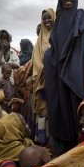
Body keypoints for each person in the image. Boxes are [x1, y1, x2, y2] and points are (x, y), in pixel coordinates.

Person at [44, 0, 84, 156]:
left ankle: (82, 146)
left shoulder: (83, 18)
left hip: (79, 69)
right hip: (58, 70)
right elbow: (54, 47)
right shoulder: (59, 20)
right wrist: (49, 56)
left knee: (79, 103)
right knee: (60, 105)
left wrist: (81, 52)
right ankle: (65, 150)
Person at [32, 8, 55, 146]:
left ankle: (53, 141)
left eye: (49, 17)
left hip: (57, 80)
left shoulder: (59, 36)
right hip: (43, 81)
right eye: (44, 18)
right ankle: (42, 141)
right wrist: (44, 70)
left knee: (54, 109)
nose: (47, 20)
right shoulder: (39, 41)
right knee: (43, 110)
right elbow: (36, 60)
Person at [0, 29, 20, 94]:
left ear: (9, 40)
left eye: (6, 39)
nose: (3, 41)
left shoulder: (13, 52)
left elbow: (16, 66)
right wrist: (2, 50)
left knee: (7, 101)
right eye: (1, 39)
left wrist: (3, 63)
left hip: (9, 83)